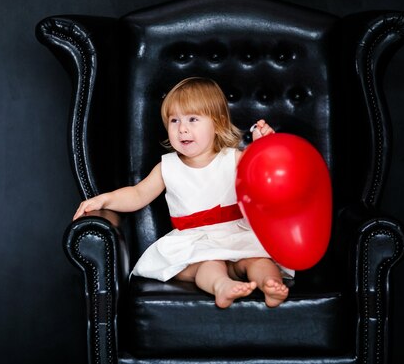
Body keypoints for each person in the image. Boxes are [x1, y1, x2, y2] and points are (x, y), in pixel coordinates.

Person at [73, 77, 293, 308]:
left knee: (259, 260)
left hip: (236, 234)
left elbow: (267, 180)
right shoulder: (167, 167)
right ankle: (222, 286)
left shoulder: (235, 159)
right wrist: (104, 199)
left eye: (193, 119)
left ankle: (271, 284)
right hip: (194, 242)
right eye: (174, 120)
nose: (182, 128)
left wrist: (263, 147)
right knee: (208, 265)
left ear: (217, 124)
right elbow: (138, 194)